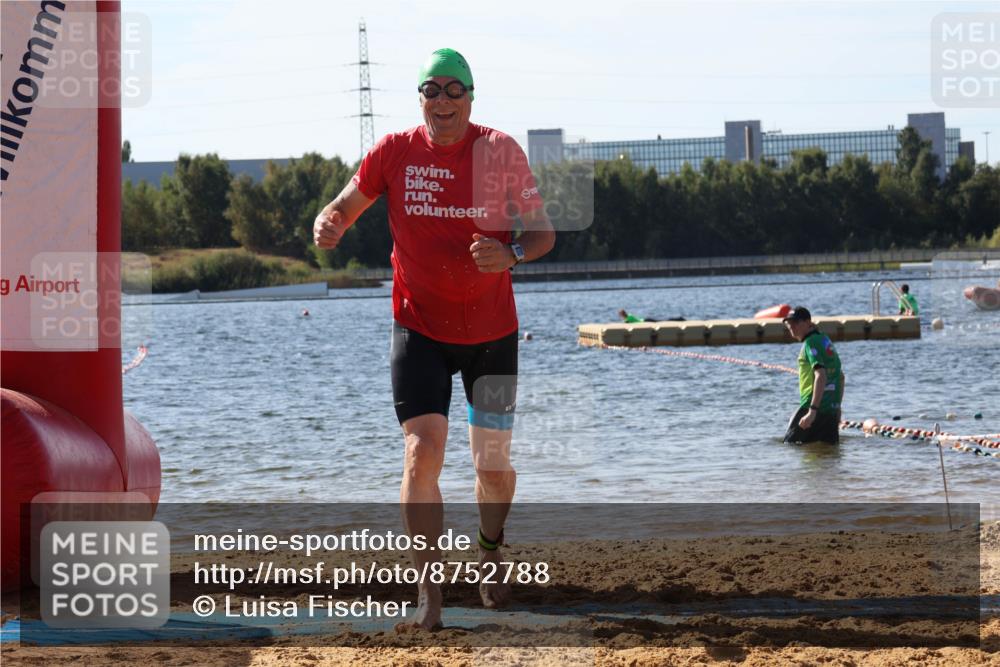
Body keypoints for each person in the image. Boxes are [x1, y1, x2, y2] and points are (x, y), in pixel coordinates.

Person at [313, 48, 555, 631]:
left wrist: (510, 253)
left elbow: (542, 234)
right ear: (419, 97)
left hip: (492, 334)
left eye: (454, 90)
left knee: (491, 464)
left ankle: (490, 549)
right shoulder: (394, 151)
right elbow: (345, 206)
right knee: (421, 453)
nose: (443, 101)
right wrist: (329, 222)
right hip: (418, 327)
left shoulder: (499, 151)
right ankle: (431, 596)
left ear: (471, 97)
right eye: (432, 90)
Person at [781, 307, 844, 444]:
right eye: (789, 323)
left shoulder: (810, 344)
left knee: (789, 447)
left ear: (808, 322)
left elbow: (820, 375)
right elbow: (840, 376)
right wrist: (837, 407)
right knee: (829, 456)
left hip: (812, 406)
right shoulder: (825, 340)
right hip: (831, 409)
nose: (791, 327)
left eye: (796, 322)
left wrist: (812, 411)